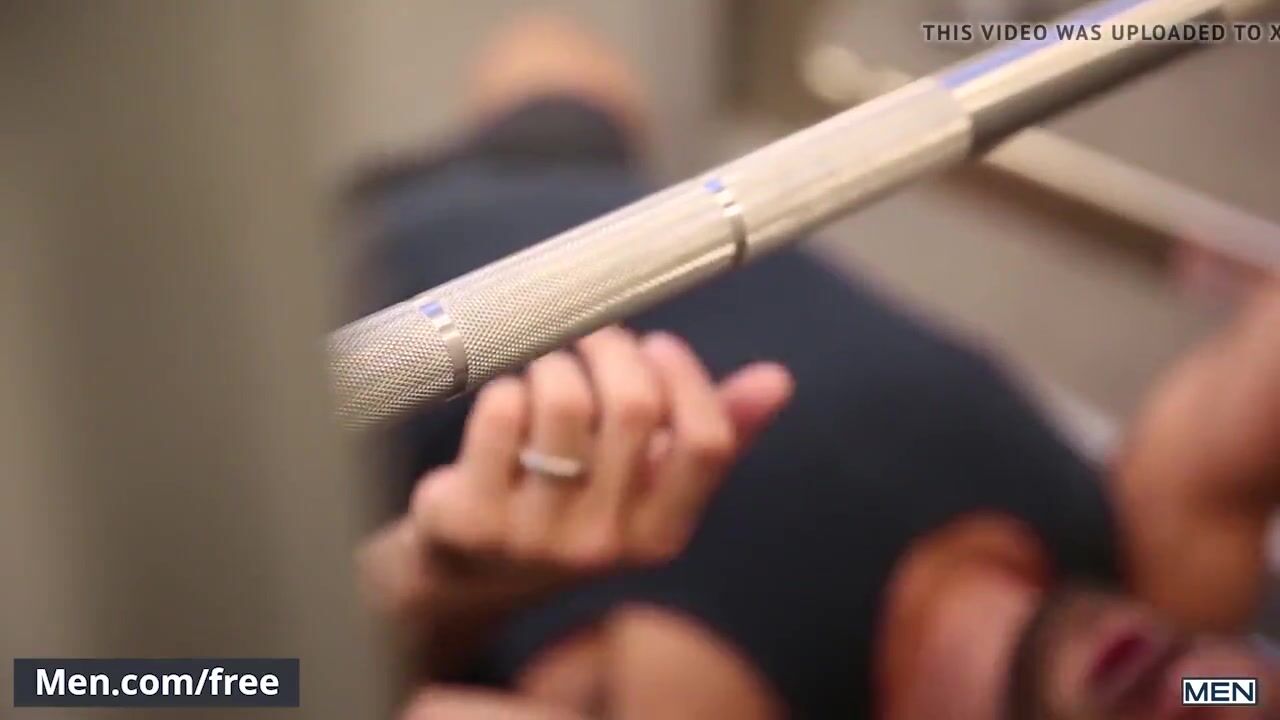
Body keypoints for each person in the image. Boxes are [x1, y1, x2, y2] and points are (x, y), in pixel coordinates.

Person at [353, 15, 1280, 720]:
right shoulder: (1148, 557)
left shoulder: (705, 696)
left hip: (335, 335)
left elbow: (268, 681)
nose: (1210, 692)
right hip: (596, 194)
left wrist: (431, 576)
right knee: (554, 43)